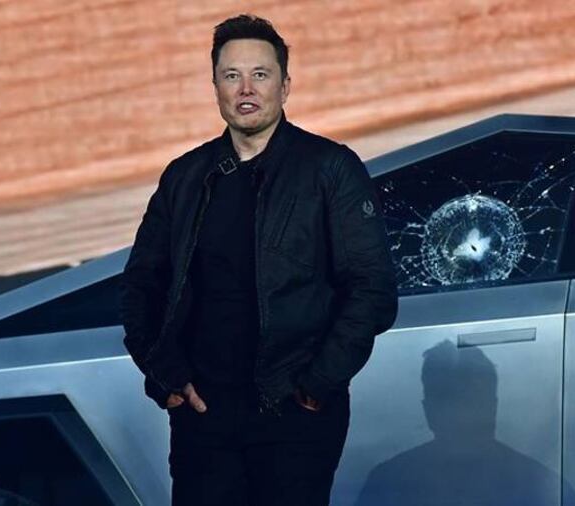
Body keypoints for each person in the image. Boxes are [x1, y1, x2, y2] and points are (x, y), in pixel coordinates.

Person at [118, 13, 398, 506]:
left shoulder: (330, 168)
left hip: (295, 418)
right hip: (203, 419)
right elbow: (141, 285)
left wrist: (317, 385)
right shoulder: (185, 177)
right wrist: (165, 375)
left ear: (285, 86)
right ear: (215, 88)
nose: (246, 89)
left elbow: (372, 289)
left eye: (260, 75)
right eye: (232, 76)